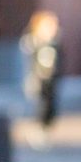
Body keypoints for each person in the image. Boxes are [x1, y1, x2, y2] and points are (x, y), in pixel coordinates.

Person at [20, 10, 62, 145]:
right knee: (40, 104)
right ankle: (39, 129)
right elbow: (30, 61)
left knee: (49, 105)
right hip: (39, 78)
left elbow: (59, 62)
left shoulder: (55, 44)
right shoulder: (34, 42)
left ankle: (46, 129)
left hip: (51, 80)